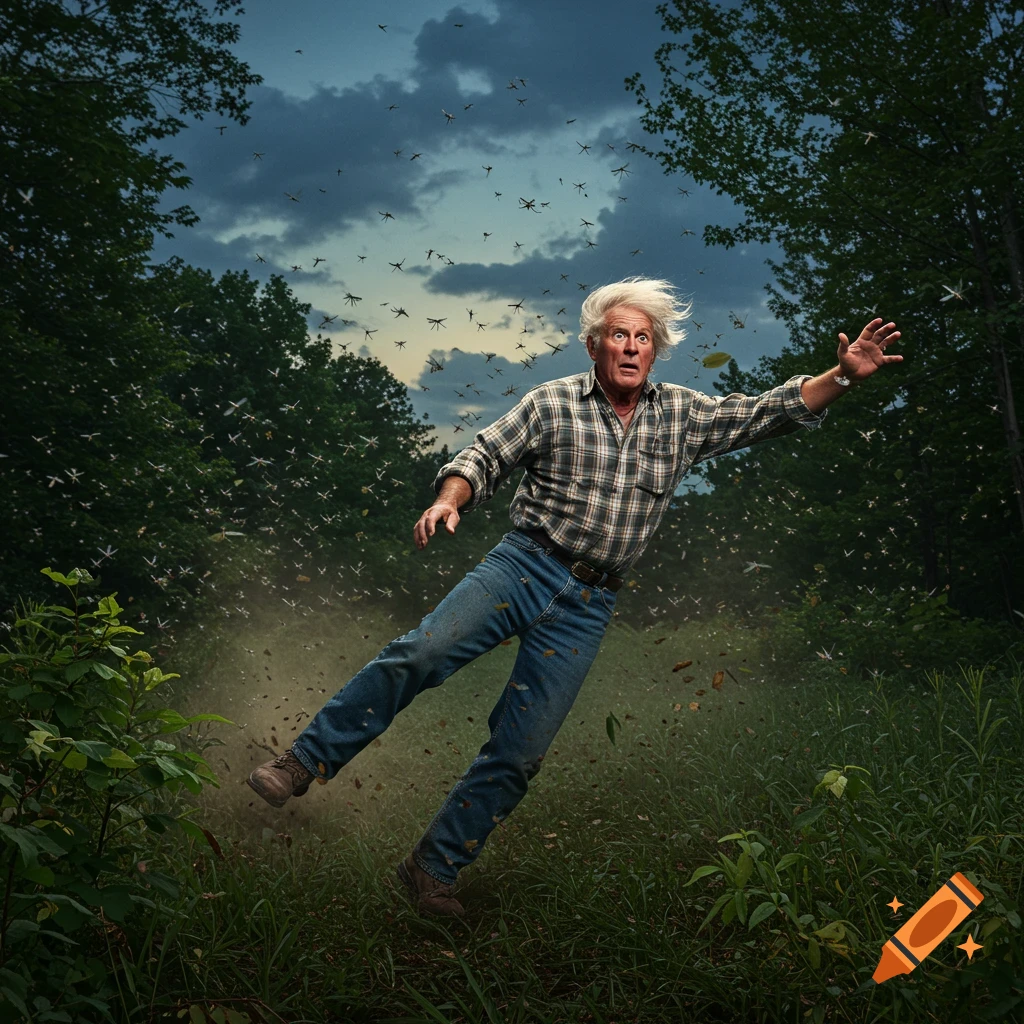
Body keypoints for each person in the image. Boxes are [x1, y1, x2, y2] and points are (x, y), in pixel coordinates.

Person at [247, 276, 903, 917]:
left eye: (642, 338)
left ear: (655, 349)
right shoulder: (552, 403)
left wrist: (842, 376)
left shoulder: (679, 415)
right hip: (523, 565)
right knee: (420, 653)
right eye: (617, 334)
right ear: (593, 345)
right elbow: (483, 454)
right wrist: (449, 500)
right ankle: (300, 763)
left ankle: (432, 869)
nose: (629, 347)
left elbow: (767, 413)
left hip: (588, 605)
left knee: (522, 750)